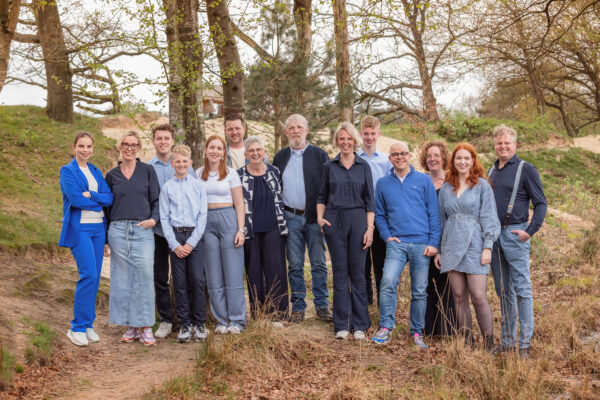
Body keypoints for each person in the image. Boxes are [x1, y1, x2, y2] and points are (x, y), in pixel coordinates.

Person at [372, 141, 441, 349]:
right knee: (387, 283)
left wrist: (433, 242)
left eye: (403, 153)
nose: (399, 157)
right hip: (397, 244)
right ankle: (386, 327)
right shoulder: (383, 183)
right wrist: (386, 236)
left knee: (419, 290)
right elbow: (380, 215)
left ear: (409, 156)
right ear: (390, 158)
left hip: (421, 244)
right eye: (395, 154)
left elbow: (434, 214)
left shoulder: (423, 181)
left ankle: (417, 332)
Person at [434, 143, 500, 351]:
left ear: (473, 161)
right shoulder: (446, 188)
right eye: (458, 158)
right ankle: (467, 342)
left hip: (475, 244)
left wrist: (488, 246)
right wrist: (439, 249)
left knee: (479, 296)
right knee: (459, 296)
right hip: (452, 244)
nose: (462, 162)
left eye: (466, 158)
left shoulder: (481, 185)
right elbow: (441, 221)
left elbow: (490, 217)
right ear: (452, 162)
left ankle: (489, 342)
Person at [489, 124, 547, 358]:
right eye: (499, 143)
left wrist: (529, 232)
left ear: (515, 144)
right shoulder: (492, 170)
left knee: (522, 290)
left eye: (507, 143)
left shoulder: (526, 169)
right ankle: (507, 341)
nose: (503, 146)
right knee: (504, 292)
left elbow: (541, 204)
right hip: (494, 237)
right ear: (495, 144)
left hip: (515, 235)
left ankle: (524, 344)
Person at [317, 122, 374, 340]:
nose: (346, 142)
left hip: (359, 220)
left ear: (355, 141)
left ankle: (360, 324)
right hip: (335, 222)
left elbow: (370, 200)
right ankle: (342, 323)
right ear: (337, 141)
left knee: (358, 274)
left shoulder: (363, 166)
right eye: (342, 138)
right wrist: (321, 218)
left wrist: (370, 229)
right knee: (340, 273)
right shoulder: (330, 166)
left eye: (349, 138)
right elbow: (322, 196)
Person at [273, 114, 332, 323]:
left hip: (315, 219)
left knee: (318, 263)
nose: (295, 131)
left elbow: (328, 188)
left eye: (299, 127)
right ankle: (298, 307)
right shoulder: (280, 157)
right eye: (291, 128)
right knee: (295, 265)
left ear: (306, 130)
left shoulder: (319, 155)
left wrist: (324, 217)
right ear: (286, 132)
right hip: (291, 217)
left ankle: (322, 306)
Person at [105, 131, 160, 346]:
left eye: (134, 144)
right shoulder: (112, 175)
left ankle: (146, 326)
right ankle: (131, 325)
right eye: (126, 144)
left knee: (144, 275)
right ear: (120, 147)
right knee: (123, 278)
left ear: (139, 148)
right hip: (117, 230)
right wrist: (106, 239)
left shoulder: (147, 171)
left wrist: (153, 220)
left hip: (142, 229)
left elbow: (156, 200)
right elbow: (106, 207)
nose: (130, 148)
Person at [59, 132, 113, 347]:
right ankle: (77, 327)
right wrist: (96, 201)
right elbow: (75, 198)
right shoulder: (67, 170)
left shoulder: (95, 171)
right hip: (80, 229)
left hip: (98, 229)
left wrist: (92, 196)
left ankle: (88, 324)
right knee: (88, 274)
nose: (85, 150)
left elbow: (109, 197)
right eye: (81, 146)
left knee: (95, 276)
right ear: (74, 147)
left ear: (93, 148)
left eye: (89, 146)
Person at [196, 135, 247, 334]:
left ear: (223, 152)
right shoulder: (198, 173)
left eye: (219, 148)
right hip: (206, 222)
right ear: (206, 150)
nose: (215, 151)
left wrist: (240, 229)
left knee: (233, 272)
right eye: (212, 147)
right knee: (213, 274)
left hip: (228, 220)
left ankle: (237, 320)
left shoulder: (231, 173)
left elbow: (239, 203)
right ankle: (221, 321)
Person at [159, 145, 208, 343]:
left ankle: (199, 323)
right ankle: (185, 324)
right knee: (179, 284)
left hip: (194, 237)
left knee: (197, 280)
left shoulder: (198, 186)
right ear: (172, 164)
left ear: (190, 163)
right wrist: (174, 244)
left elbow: (203, 215)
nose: (181, 164)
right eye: (177, 161)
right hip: (176, 238)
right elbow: (164, 217)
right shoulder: (167, 187)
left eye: (184, 161)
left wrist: (192, 243)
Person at [238, 136, 289, 324]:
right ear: (246, 154)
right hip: (250, 231)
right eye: (251, 151)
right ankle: (260, 315)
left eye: (259, 150)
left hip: (274, 229)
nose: (255, 153)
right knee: (254, 273)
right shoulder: (239, 175)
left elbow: (281, 196)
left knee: (276, 271)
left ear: (264, 152)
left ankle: (279, 315)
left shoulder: (275, 172)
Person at [148, 123, 192, 339]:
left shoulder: (185, 165)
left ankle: (188, 319)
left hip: (181, 233)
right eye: (159, 138)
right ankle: (165, 319)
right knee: (160, 277)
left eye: (166, 138)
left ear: (172, 140)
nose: (163, 141)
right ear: (154, 141)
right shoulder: (148, 168)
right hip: (157, 232)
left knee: (184, 277)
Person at [419, 141, 457, 336]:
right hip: (425, 241)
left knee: (447, 286)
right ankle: (430, 329)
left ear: (443, 157)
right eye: (429, 156)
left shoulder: (452, 182)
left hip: (447, 242)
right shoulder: (421, 181)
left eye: (436, 155)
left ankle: (449, 330)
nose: (432, 159)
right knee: (426, 286)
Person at [357, 115, 391, 306]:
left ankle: (382, 302)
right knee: (362, 264)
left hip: (380, 218)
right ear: (361, 134)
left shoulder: (386, 161)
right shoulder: (354, 158)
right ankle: (366, 302)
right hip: (360, 217)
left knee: (381, 264)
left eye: (373, 134)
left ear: (378, 134)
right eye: (366, 134)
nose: (370, 137)